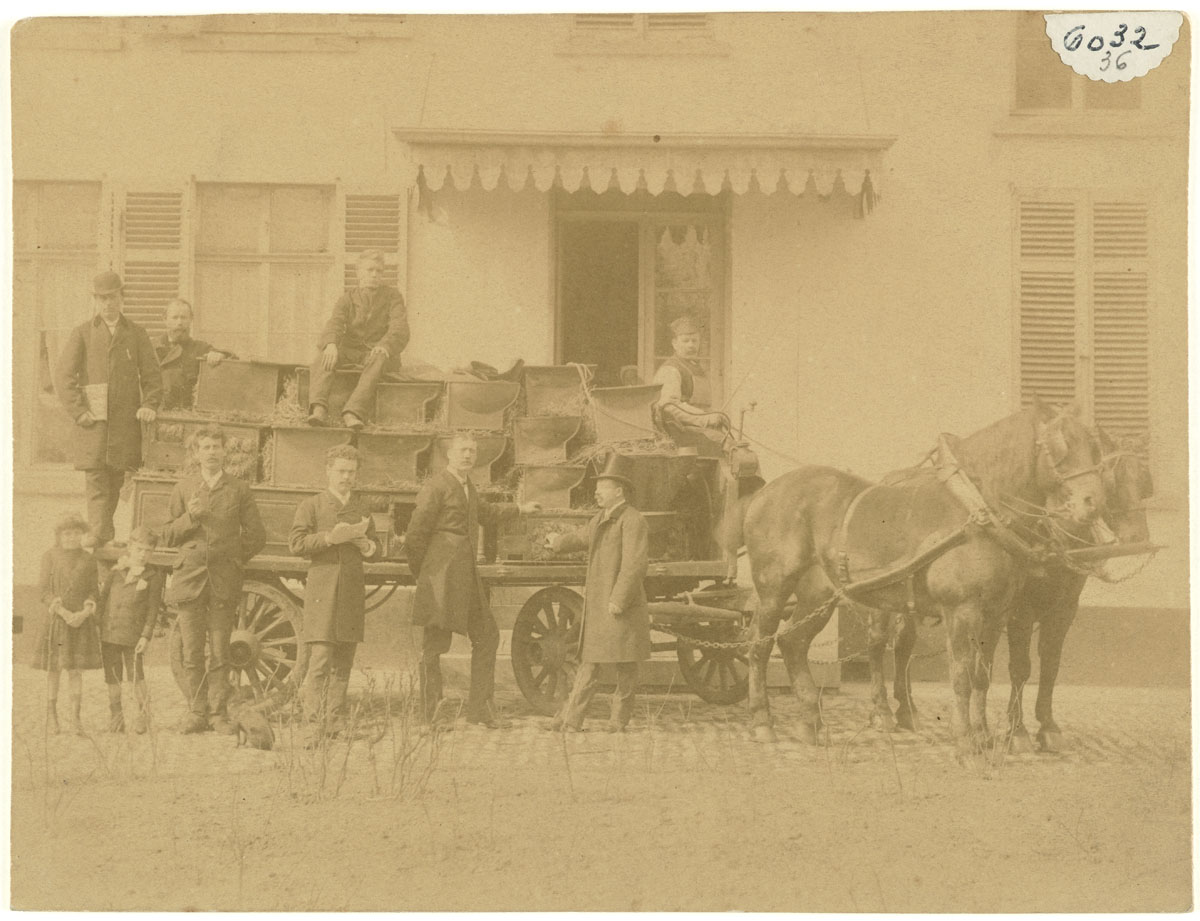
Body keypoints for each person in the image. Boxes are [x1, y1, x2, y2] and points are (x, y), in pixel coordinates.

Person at [405, 433, 540, 728]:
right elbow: (416, 533)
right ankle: (429, 716)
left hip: (465, 577)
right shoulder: (437, 485)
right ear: (449, 454)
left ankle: (480, 710)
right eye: (462, 450)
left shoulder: (468, 487)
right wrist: (425, 572)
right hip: (441, 577)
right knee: (434, 646)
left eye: (473, 451)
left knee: (487, 636)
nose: (468, 455)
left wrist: (520, 509)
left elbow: (486, 513)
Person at [160, 424, 266, 734]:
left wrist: (232, 558)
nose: (211, 453)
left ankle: (218, 714)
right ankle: (196, 711)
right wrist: (190, 517)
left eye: (217, 447)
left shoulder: (238, 489)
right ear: (196, 453)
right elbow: (167, 535)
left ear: (225, 452)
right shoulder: (183, 488)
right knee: (192, 652)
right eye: (205, 447)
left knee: (221, 651)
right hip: (190, 578)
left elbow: (256, 536)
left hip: (223, 580)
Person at [542, 453, 651, 733]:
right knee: (591, 660)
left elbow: (635, 564)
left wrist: (619, 598)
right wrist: (557, 542)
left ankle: (618, 720)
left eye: (602, 488)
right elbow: (581, 538)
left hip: (620, 604)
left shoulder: (632, 520)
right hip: (602, 604)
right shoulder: (601, 517)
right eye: (597, 487)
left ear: (619, 491)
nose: (596, 492)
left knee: (625, 665)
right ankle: (571, 719)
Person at [54, 270, 162, 546]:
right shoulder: (82, 333)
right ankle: (100, 535)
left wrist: (149, 404)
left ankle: (104, 536)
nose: (107, 304)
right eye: (101, 299)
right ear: (95, 301)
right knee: (96, 482)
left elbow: (152, 375)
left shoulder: (136, 334)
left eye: (112, 297)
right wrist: (79, 412)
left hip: (124, 426)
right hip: (94, 425)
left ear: (121, 298)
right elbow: (64, 377)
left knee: (115, 483)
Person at [288, 445, 380, 739]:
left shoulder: (363, 508)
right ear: (328, 471)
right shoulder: (312, 505)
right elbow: (297, 544)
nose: (346, 477)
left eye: (351, 472)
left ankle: (336, 721)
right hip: (323, 589)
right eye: (341, 471)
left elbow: (376, 549)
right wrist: (329, 537)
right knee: (320, 660)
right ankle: (313, 724)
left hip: (351, 590)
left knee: (343, 661)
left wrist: (366, 545)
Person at [306, 249, 410, 430]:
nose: (375, 275)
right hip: (352, 351)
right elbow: (335, 323)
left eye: (379, 271)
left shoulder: (393, 296)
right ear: (359, 273)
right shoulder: (347, 298)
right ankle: (319, 408)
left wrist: (385, 345)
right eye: (370, 270)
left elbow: (399, 327)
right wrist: (330, 344)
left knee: (378, 356)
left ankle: (353, 412)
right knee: (325, 353)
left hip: (379, 354)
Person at [32, 513, 102, 735]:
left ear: (82, 535)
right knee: (55, 670)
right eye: (67, 533)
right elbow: (43, 591)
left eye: (76, 533)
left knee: (75, 671)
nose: (72, 537)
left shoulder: (89, 559)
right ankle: (52, 719)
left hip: (80, 622)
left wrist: (84, 612)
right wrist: (62, 611)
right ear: (59, 535)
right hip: (57, 621)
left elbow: (94, 590)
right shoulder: (49, 556)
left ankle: (75, 719)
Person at [97, 527, 159, 733]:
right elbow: (103, 600)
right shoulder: (116, 572)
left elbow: (152, 609)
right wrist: (98, 628)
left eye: (148, 551)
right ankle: (116, 716)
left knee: (136, 676)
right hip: (110, 634)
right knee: (112, 678)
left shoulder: (153, 576)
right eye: (139, 549)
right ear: (130, 548)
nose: (143, 554)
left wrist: (146, 635)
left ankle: (143, 716)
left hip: (134, 637)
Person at [652, 314, 729, 453]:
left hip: (698, 428)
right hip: (681, 434)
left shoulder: (695, 367)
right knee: (728, 447)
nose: (691, 345)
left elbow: (702, 405)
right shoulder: (670, 369)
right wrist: (705, 418)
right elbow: (669, 408)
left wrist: (714, 416)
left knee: (734, 445)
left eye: (695, 341)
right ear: (674, 343)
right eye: (686, 341)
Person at [154, 298, 238, 410]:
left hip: (187, 414)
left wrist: (220, 355)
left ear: (191, 320)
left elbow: (233, 360)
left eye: (184, 318)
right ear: (165, 319)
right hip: (157, 413)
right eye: (175, 317)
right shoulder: (151, 347)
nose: (179, 323)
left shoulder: (199, 348)